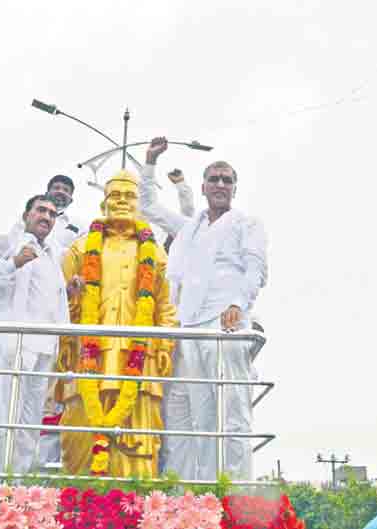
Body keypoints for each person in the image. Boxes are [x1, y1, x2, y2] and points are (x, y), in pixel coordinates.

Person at [139, 137, 268, 481]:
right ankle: (200, 492)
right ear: (204, 187)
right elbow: (148, 206)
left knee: (233, 410)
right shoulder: (189, 227)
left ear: (235, 188)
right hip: (189, 326)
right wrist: (150, 161)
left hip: (225, 324)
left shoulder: (246, 224)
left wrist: (238, 305)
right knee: (196, 415)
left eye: (227, 180)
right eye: (215, 179)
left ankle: (237, 490)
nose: (221, 185)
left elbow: (256, 270)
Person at [55, 169, 177, 477]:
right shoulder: (80, 250)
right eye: (115, 196)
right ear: (103, 204)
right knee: (80, 434)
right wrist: (67, 342)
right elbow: (58, 305)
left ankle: (135, 509)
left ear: (139, 204)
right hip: (87, 358)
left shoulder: (155, 253)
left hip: (139, 359)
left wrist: (164, 345)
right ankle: (79, 504)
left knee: (139, 439)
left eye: (129, 196)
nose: (122, 202)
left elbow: (164, 305)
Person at [0, 195, 75, 474]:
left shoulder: (53, 253)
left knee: (29, 422)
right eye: (41, 210)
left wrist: (69, 291)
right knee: (2, 414)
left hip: (44, 347)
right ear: (26, 214)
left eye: (52, 213)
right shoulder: (7, 242)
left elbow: (50, 301)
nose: (46, 217)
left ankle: (18, 485)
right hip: (13, 342)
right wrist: (13, 262)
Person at [46, 174, 88, 249]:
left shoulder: (80, 227)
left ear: (71, 200)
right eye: (56, 188)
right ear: (46, 194)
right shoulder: (28, 218)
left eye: (66, 190)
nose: (61, 192)